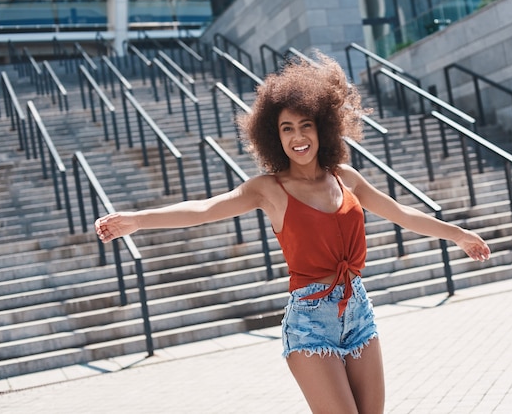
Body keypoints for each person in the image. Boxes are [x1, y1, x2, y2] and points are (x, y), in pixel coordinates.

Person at [95, 52, 491, 414]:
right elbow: (205, 209)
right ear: (274, 136)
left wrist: (456, 233)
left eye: (306, 126)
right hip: (310, 321)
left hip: (359, 311)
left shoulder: (346, 178)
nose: (298, 138)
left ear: (324, 129)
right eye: (287, 129)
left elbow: (400, 212)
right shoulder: (269, 189)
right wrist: (138, 219)